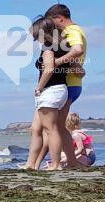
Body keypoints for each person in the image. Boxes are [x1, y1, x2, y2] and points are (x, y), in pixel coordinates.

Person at [24, 18, 70, 171]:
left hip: (51, 90)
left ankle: (56, 165)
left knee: (51, 129)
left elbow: (49, 69)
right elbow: (77, 67)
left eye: (37, 35)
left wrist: (39, 87)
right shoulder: (63, 46)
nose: (36, 39)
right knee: (36, 129)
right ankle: (30, 165)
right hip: (58, 89)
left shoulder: (48, 46)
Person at [46, 4, 88, 169]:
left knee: (56, 127)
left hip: (69, 83)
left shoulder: (72, 32)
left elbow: (76, 50)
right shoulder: (78, 30)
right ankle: (70, 162)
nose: (52, 27)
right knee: (56, 126)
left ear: (59, 18)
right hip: (74, 83)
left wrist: (56, 62)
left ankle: (65, 163)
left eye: (53, 23)